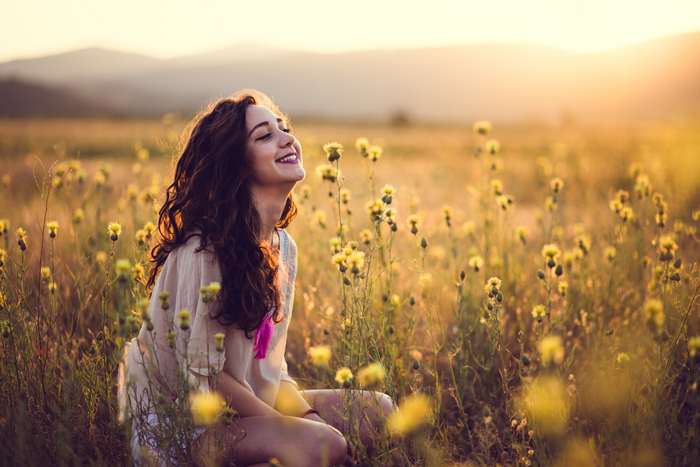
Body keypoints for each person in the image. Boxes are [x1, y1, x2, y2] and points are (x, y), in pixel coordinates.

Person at [118, 90, 394, 467]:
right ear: (237, 165)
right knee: (318, 446)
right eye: (265, 135)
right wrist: (299, 433)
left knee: (379, 411)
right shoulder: (204, 249)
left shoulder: (284, 248)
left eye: (285, 128)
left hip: (248, 406)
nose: (287, 139)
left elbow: (269, 370)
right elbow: (206, 381)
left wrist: (309, 421)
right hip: (184, 427)